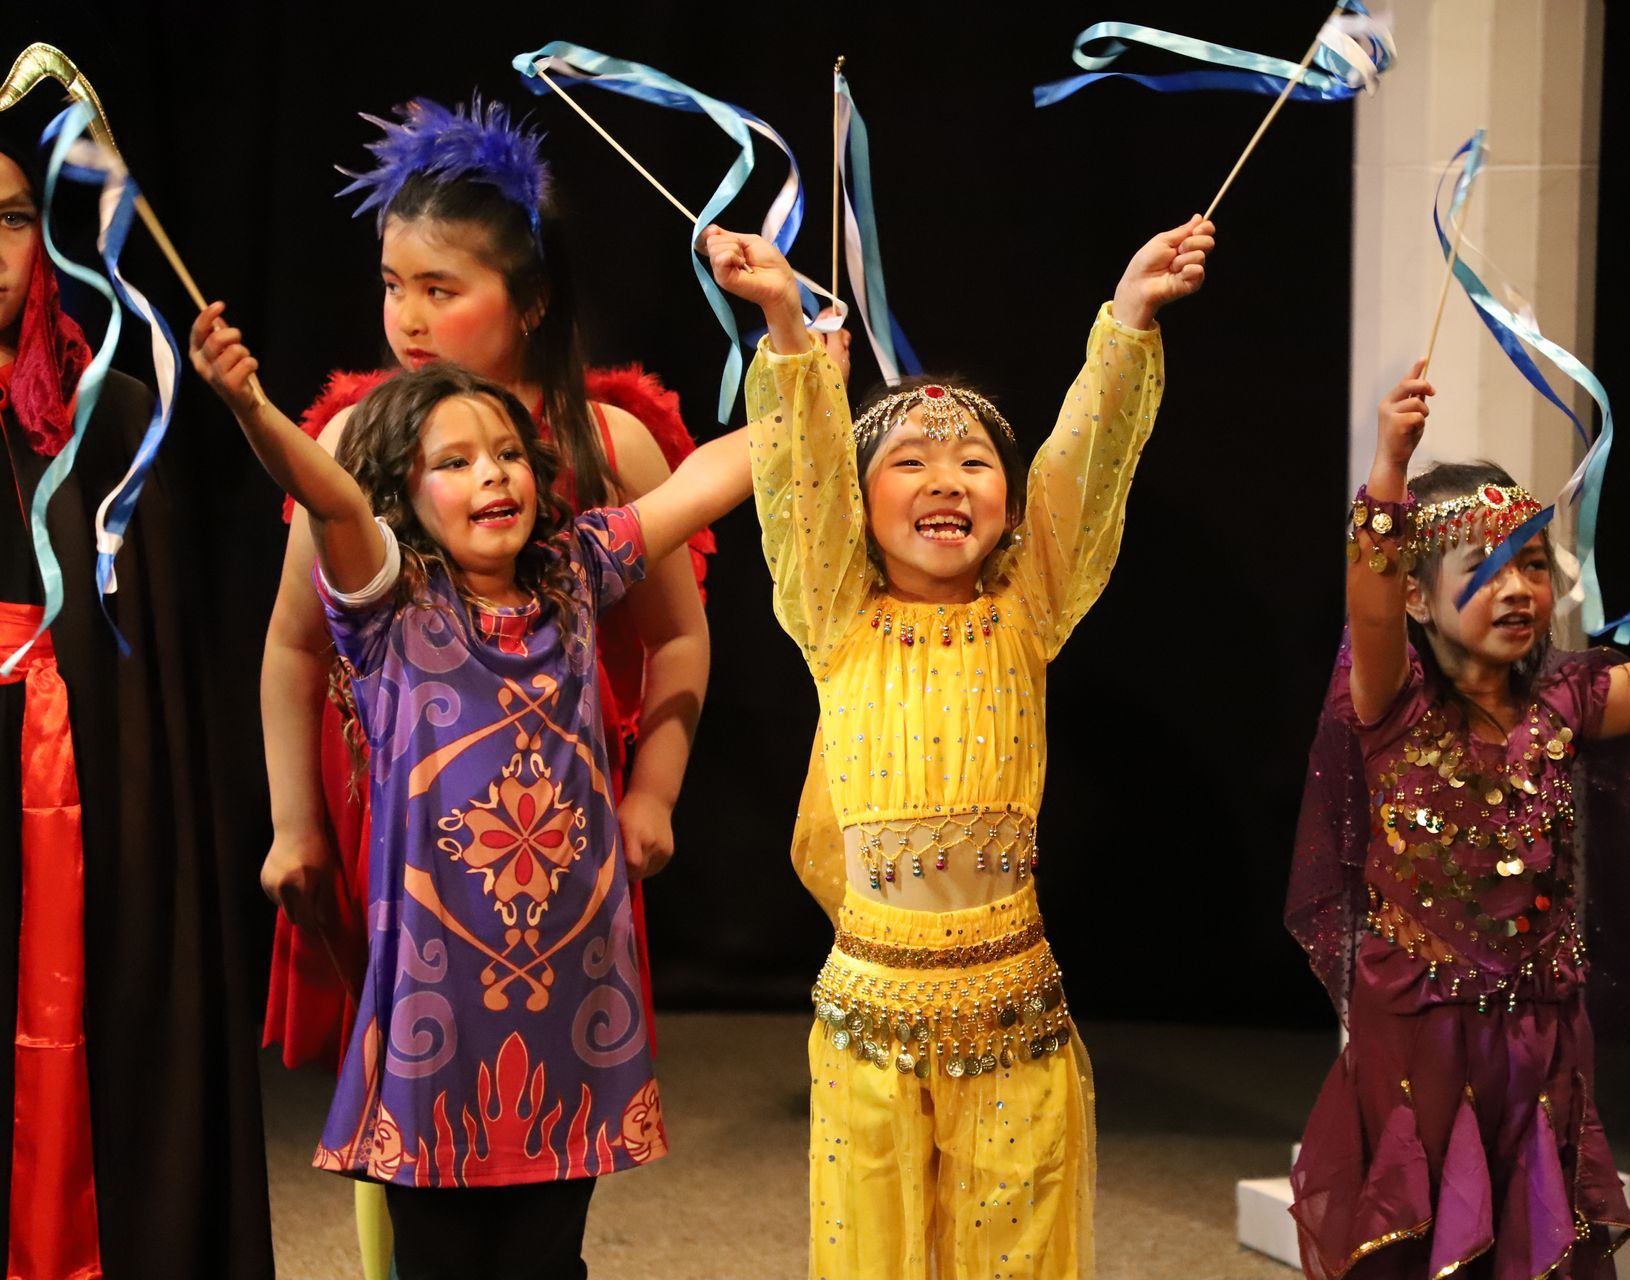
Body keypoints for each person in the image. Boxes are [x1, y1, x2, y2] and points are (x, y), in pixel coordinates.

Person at [192, 300, 750, 1273]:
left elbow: (706, 481)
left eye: (507, 453)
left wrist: (794, 352)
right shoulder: (387, 604)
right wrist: (250, 408)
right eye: (453, 461)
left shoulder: (577, 571)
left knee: (547, 1259)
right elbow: (326, 496)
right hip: (436, 1018)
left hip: (571, 1002)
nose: (493, 472)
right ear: (402, 497)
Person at [711, 212, 1214, 1279]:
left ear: (1009, 501)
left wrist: (1126, 321)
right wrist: (784, 325)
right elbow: (799, 476)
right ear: (858, 502)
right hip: (867, 1021)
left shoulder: (1029, 608)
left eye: (975, 460)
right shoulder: (836, 613)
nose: (948, 480)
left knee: (1015, 1247)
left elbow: (1082, 467)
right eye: (911, 460)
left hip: (1011, 1009)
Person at [1285, 361, 1630, 1278]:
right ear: (1422, 600)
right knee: (1425, 1225)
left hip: (1543, 1027)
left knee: (1532, 1224)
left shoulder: (1567, 698)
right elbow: (1372, 592)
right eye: (1486, 569)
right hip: (1419, 1028)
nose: (1518, 589)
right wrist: (1390, 464)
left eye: (1533, 565)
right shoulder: (1388, 702)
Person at [0, 125, 272, 1277]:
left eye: (10, 217)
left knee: (107, 1024)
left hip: (90, 773)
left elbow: (155, 652)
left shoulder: (112, 408)